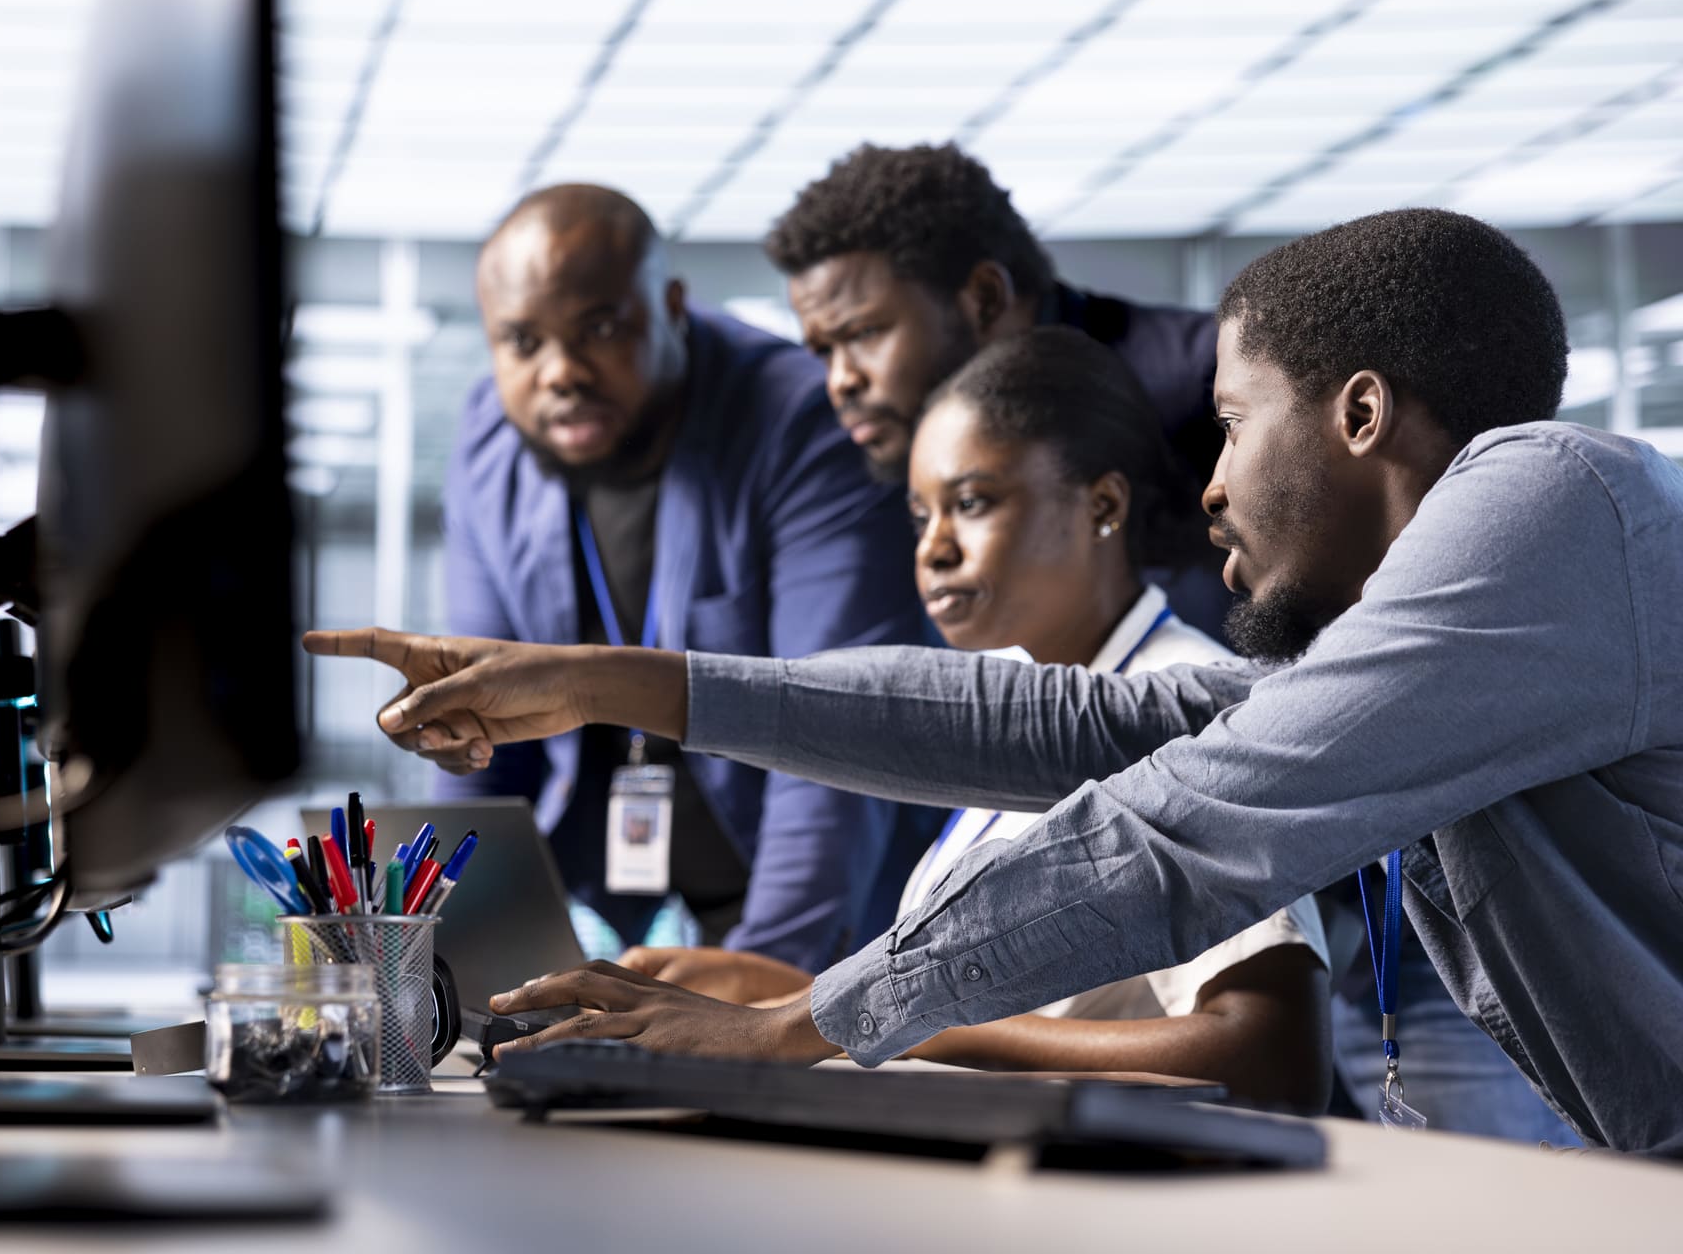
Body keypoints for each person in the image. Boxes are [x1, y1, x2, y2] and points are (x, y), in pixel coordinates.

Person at [308, 207, 1683, 1156]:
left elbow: (1181, 827)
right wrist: (610, 684)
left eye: (1231, 424)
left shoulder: (1547, 493)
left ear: (1362, 416)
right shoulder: (1448, 639)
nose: (1206, 485)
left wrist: (798, 1027)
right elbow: (1072, 725)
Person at [622, 327, 1331, 1111]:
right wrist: (818, 1003)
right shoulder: (1016, 694)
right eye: (921, 516)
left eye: (971, 503)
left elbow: (1271, 1055)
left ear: (1103, 506)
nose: (934, 550)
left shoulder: (1182, 708)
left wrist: (877, 1020)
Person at [429, 183, 930, 971]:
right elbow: (476, 734)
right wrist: (438, 969)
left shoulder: (802, 423)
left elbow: (838, 734)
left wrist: (767, 995)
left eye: (599, 328)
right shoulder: (489, 444)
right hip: (611, 856)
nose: (560, 372)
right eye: (522, 342)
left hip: (802, 866)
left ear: (670, 306)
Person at [765, 141, 1227, 634]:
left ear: (984, 298)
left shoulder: (1216, 384)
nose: (841, 382)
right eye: (823, 352)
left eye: (864, 334)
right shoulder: (906, 445)